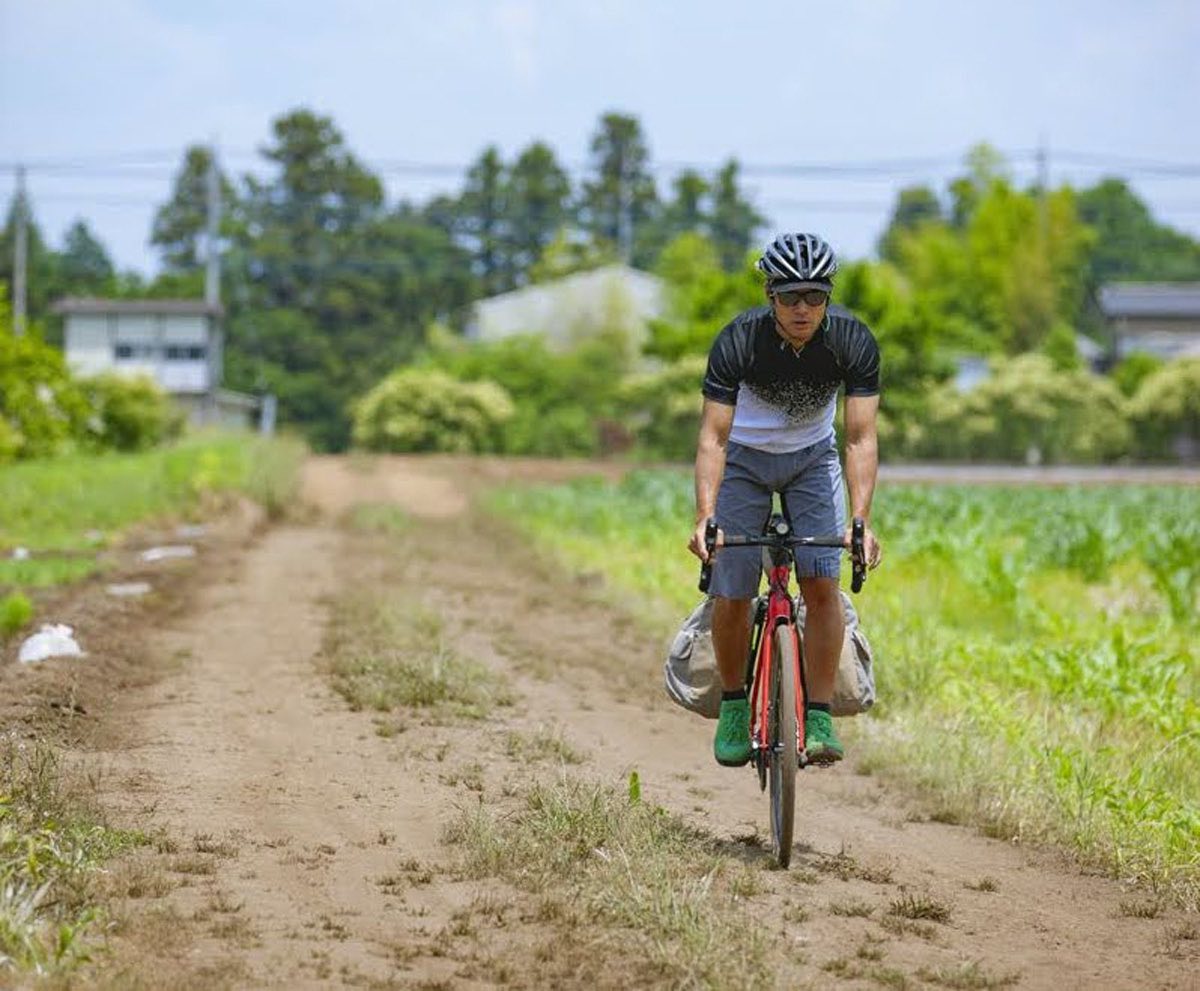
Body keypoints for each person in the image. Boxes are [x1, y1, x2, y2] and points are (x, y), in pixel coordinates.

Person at [687, 232, 882, 768]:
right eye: (791, 296)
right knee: (732, 586)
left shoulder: (851, 342)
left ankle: (816, 713)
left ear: (829, 297)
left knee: (822, 583)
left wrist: (861, 520)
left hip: (812, 462)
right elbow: (714, 439)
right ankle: (732, 704)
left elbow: (861, 437)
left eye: (815, 297)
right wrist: (706, 517)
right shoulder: (737, 342)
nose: (803, 309)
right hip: (743, 461)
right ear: (770, 294)